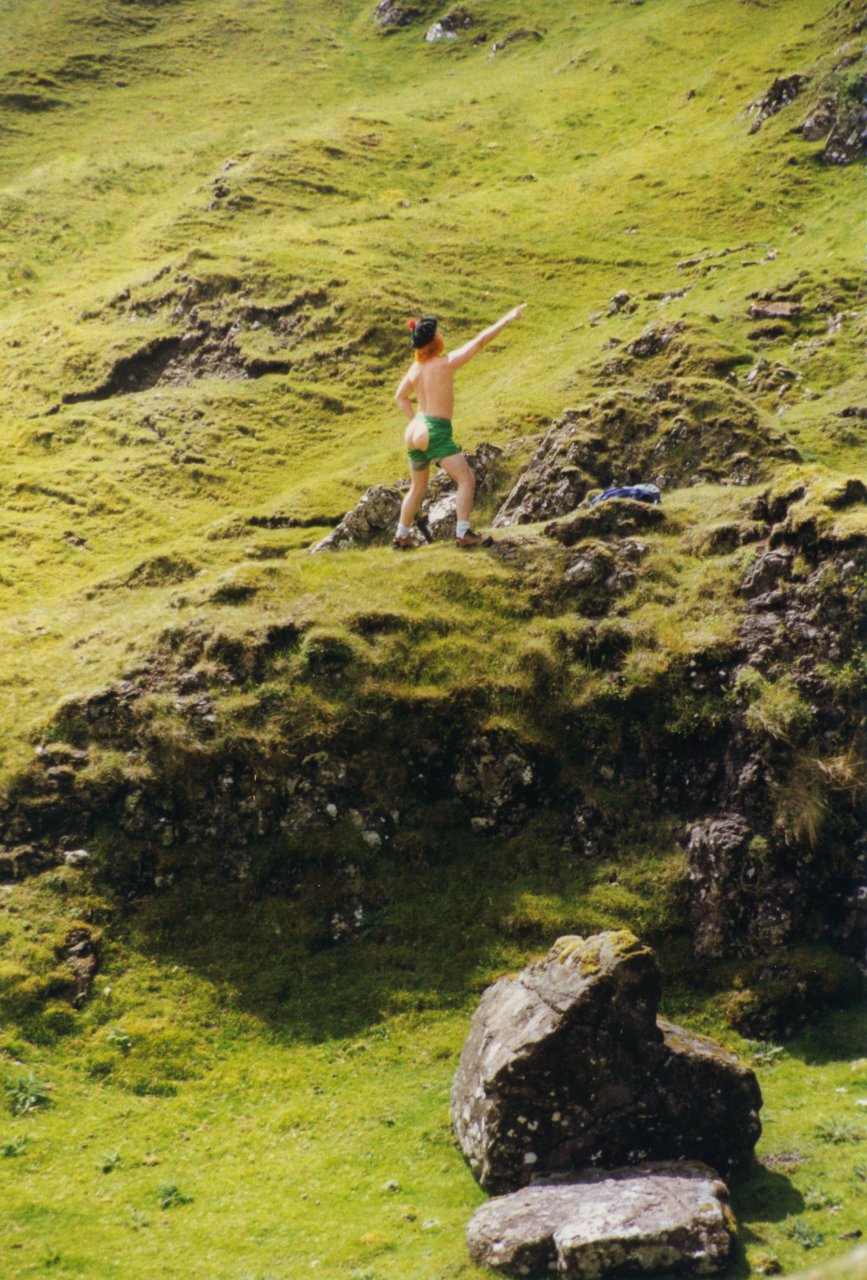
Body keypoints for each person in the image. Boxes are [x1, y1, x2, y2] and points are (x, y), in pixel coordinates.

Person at [392, 305, 526, 549]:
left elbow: (399, 397)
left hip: (414, 430)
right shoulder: (445, 363)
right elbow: (479, 341)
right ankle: (463, 533)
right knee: (466, 479)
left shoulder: (415, 369)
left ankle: (401, 537)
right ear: (435, 340)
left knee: (417, 487)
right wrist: (506, 318)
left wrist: (414, 419)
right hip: (434, 429)